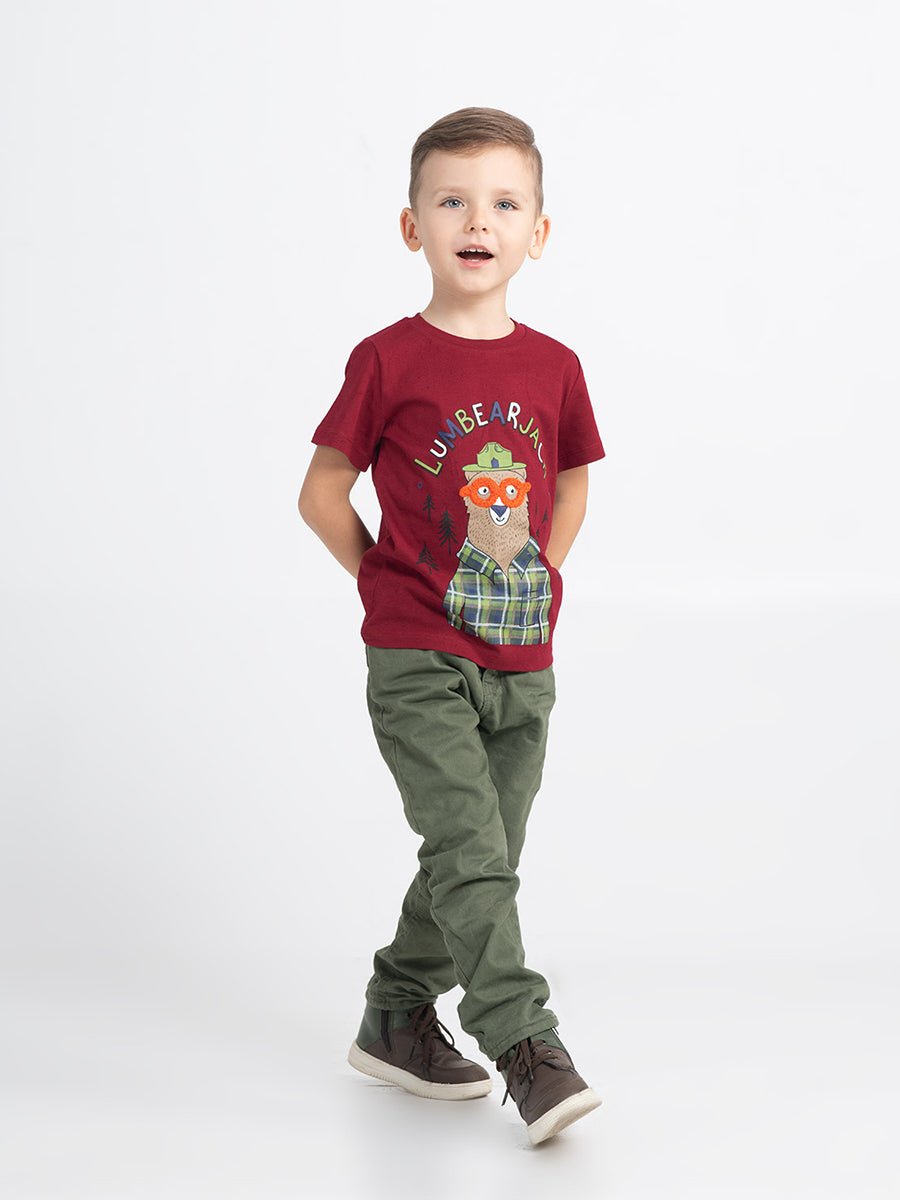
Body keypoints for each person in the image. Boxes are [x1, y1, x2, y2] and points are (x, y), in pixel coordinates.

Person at [297, 106, 606, 1146]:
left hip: (522, 653)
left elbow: (572, 480)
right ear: (412, 226)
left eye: (505, 203)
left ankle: (395, 1014)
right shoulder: (388, 360)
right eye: (453, 201)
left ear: (538, 232)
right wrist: (385, 586)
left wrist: (541, 574)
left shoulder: (555, 366)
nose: (479, 221)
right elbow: (322, 493)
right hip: (417, 655)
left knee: (485, 851)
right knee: (471, 849)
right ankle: (525, 1040)